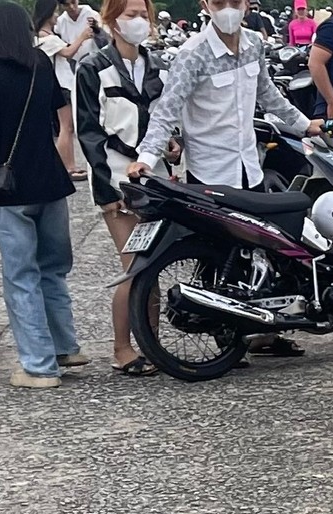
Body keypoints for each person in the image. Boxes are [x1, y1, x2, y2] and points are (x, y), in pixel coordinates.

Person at [129, 0, 322, 355]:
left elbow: (269, 95)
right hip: (211, 171)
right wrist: (146, 157)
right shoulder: (192, 54)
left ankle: (264, 332)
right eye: (219, 2)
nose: (228, 9)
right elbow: (166, 111)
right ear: (206, 5)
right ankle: (224, 335)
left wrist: (305, 125)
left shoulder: (254, 43)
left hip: (248, 163)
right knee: (217, 256)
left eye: (235, 1)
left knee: (261, 248)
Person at [0, 0, 86, 390]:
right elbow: (57, 119)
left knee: (21, 277)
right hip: (50, 180)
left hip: (9, 189)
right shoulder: (40, 64)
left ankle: (38, 366)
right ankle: (65, 346)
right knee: (53, 269)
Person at [77, 0, 165, 375]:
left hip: (159, 180)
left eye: (144, 15)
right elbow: (89, 135)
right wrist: (107, 191)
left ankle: (153, 345)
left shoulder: (157, 66)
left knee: (156, 266)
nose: (139, 22)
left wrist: (171, 145)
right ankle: (122, 348)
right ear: (112, 20)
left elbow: (166, 117)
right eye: (131, 15)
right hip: (118, 181)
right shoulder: (92, 68)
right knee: (134, 267)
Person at [35, 0, 92, 179]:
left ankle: (68, 165)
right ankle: (66, 167)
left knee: (64, 127)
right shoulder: (49, 39)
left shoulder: (35, 37)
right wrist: (82, 36)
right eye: (55, 13)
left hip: (51, 85)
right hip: (62, 84)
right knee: (66, 128)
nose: (57, 17)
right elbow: (68, 52)